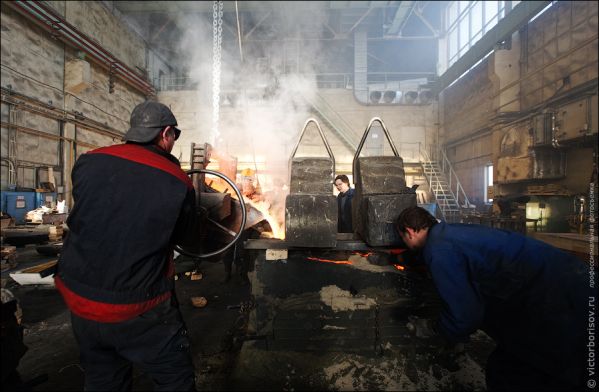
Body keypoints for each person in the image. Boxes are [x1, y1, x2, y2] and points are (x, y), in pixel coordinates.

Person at [55, 101, 200, 391]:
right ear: (166, 133)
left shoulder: (89, 160)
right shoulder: (176, 180)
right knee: (174, 378)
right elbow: (186, 240)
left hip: (79, 297)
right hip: (136, 305)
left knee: (102, 378)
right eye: (174, 137)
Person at [395, 206, 589, 391]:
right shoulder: (448, 233)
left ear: (410, 232)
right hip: (572, 276)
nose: (404, 242)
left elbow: (465, 317)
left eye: (402, 238)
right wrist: (398, 259)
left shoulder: (438, 251)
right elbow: (445, 255)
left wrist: (430, 328)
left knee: (514, 373)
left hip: (559, 298)